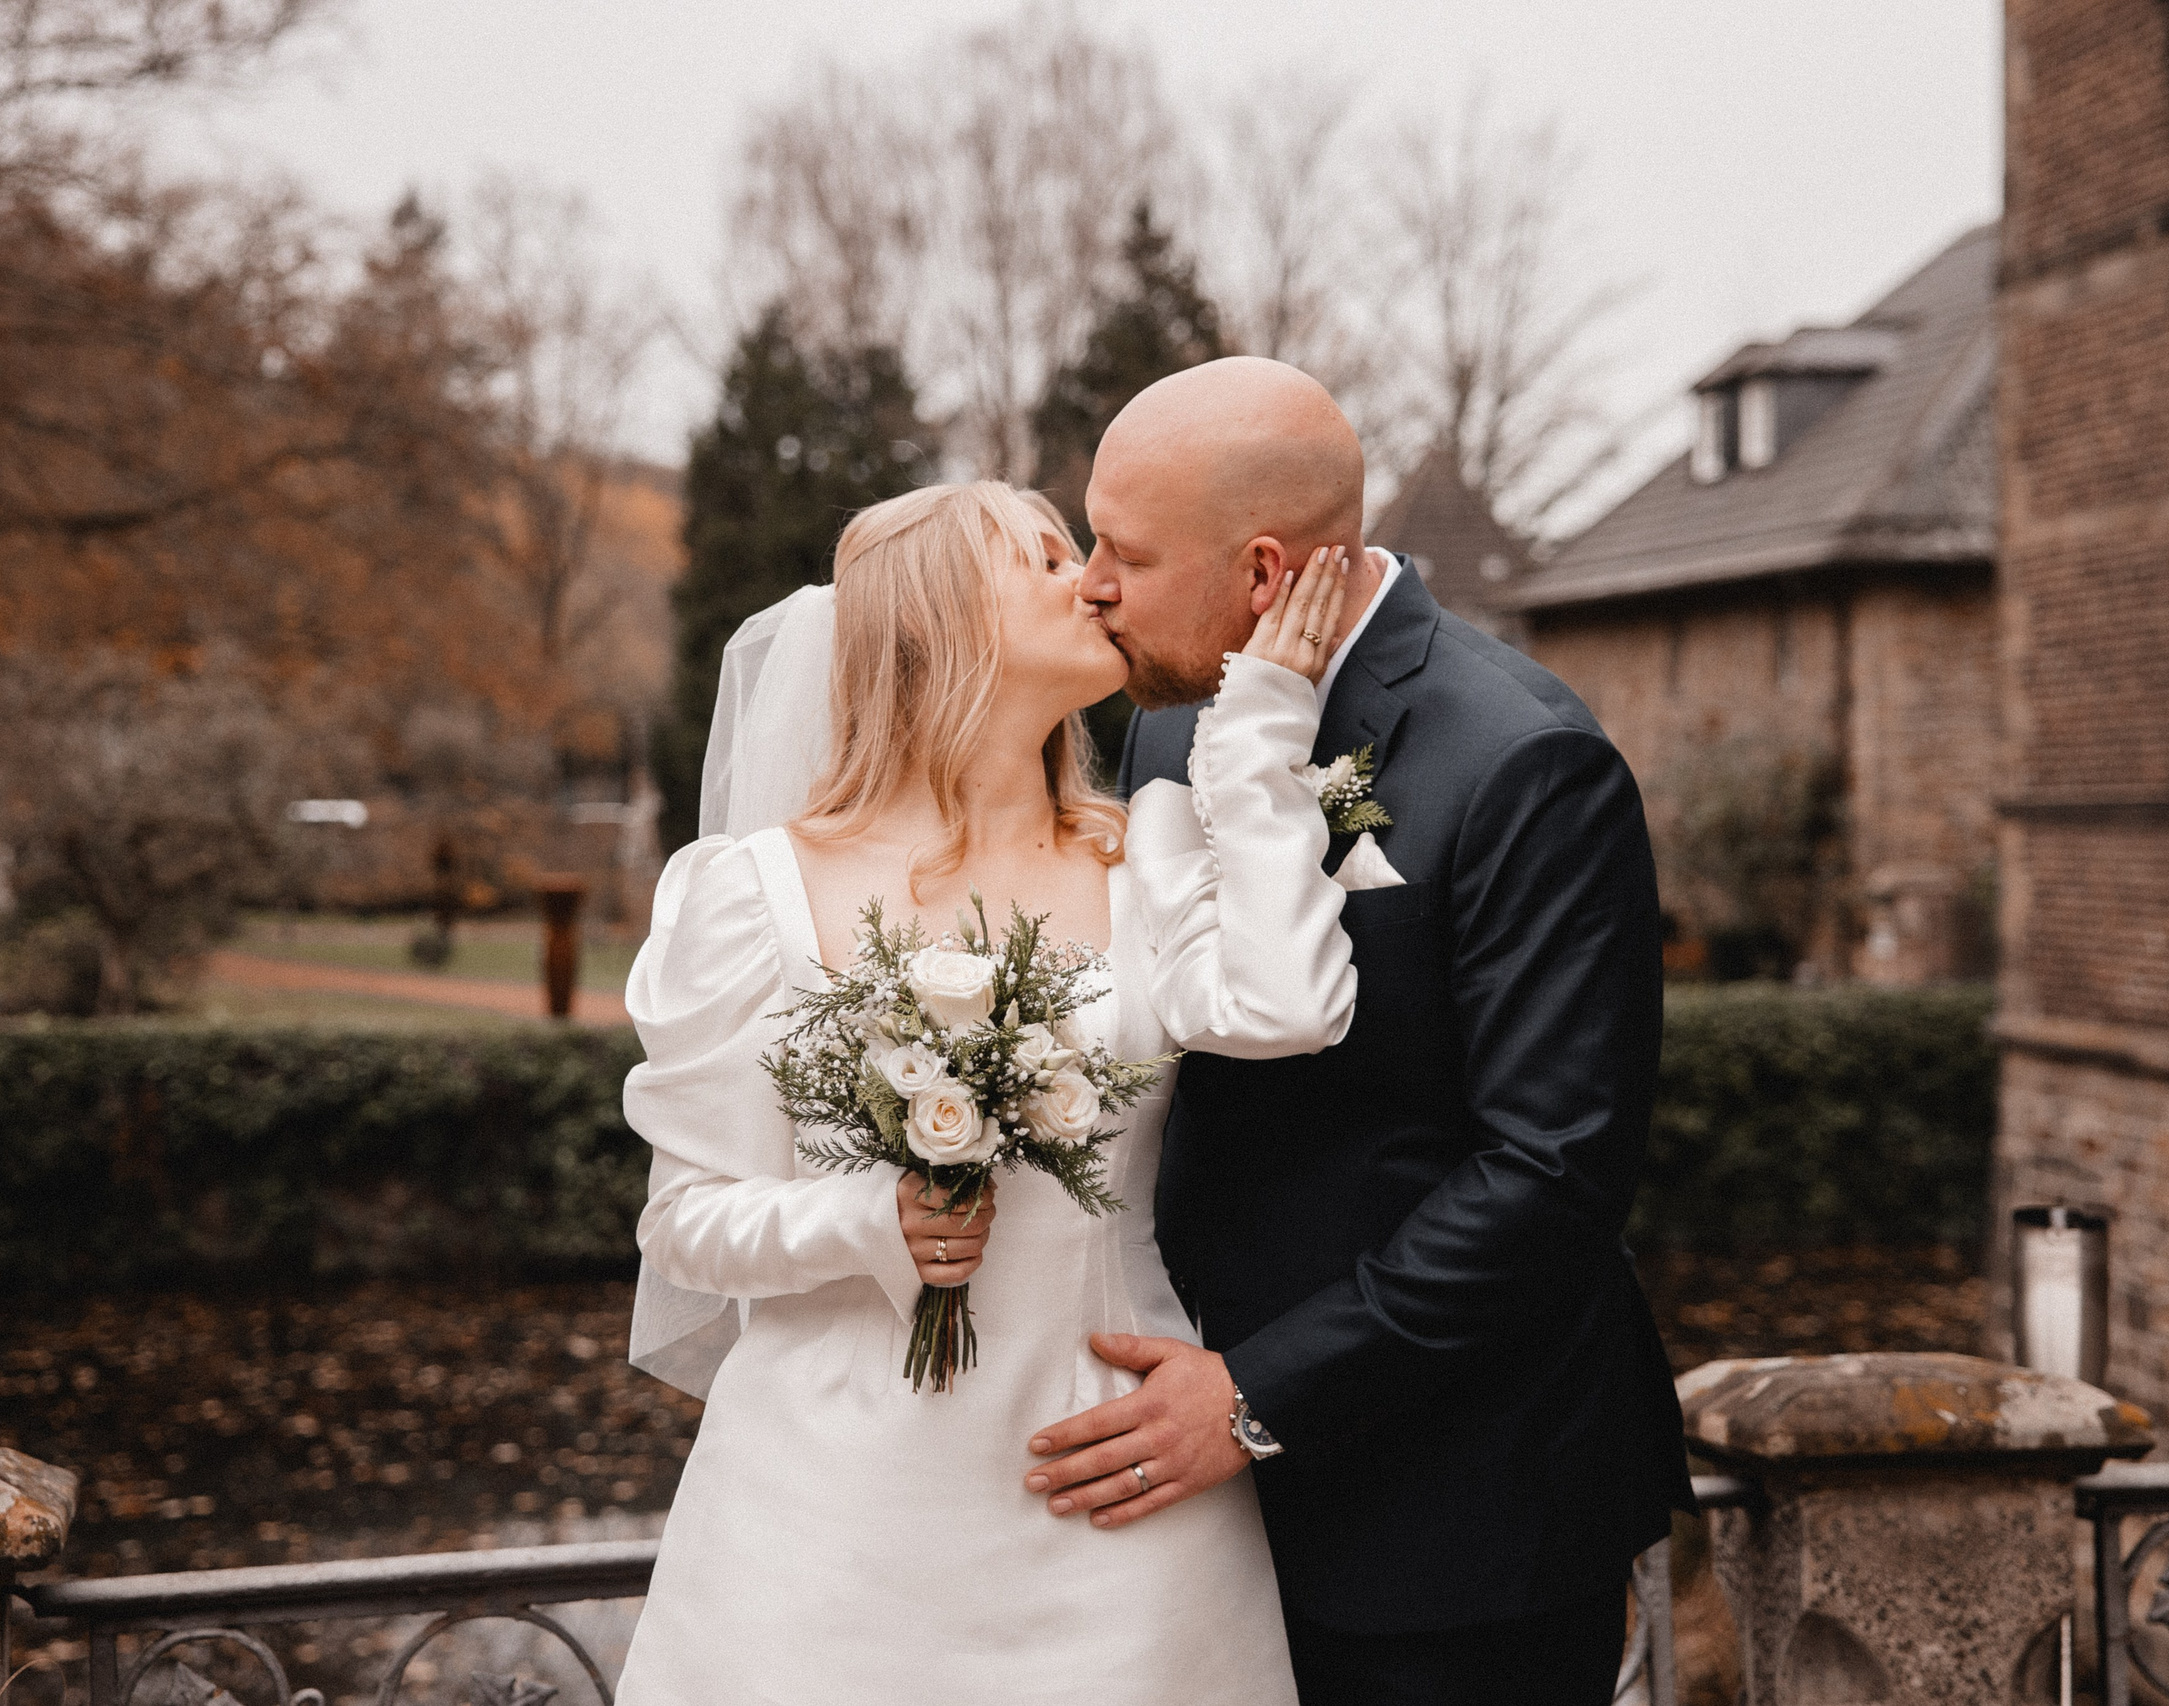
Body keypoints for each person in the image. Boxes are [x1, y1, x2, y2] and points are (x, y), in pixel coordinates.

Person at [615, 481, 1363, 1705]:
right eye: (1042, 557)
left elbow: (1285, 1009)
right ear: (936, 623)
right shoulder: (748, 895)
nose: (1092, 581)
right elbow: (686, 1220)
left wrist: (1265, 717)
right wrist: (871, 1221)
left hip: (1111, 1489)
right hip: (828, 1522)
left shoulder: (1151, 844)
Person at [1027, 357, 1695, 1706]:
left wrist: (1256, 1393)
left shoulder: (1521, 762)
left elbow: (1550, 1174)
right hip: (1192, 1516)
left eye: (1126, 551)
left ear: (1264, 575)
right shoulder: (1169, 731)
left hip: (1456, 1520)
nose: (1089, 579)